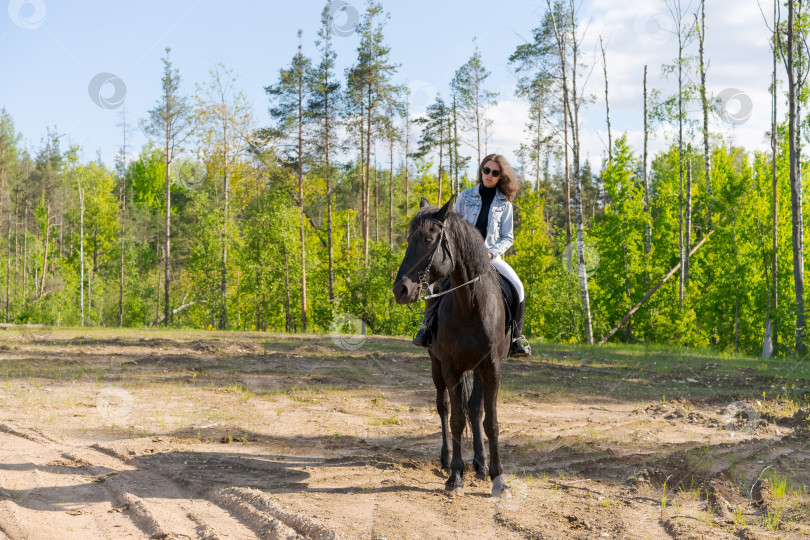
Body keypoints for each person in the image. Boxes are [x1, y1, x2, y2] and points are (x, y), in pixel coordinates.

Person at [414, 154, 531, 357]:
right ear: (481, 171)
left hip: (491, 258)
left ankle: (516, 339)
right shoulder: (465, 196)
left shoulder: (505, 204)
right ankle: (426, 328)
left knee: (519, 288)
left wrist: (491, 251)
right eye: (486, 170)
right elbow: (450, 226)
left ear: (500, 176)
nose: (489, 175)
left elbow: (508, 238)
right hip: (461, 258)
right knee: (434, 285)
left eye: (495, 173)